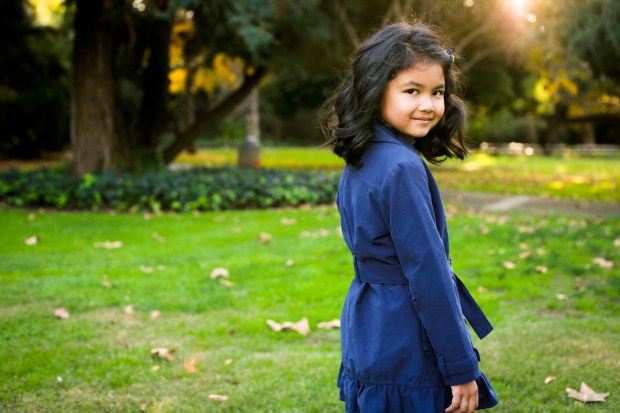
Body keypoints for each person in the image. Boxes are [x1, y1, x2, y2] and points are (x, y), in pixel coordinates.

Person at [322, 22, 499, 413]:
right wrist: (460, 368)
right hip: (406, 331)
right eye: (412, 91)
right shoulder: (401, 167)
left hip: (369, 324)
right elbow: (428, 274)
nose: (429, 105)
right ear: (375, 90)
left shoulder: (362, 155)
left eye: (437, 92)